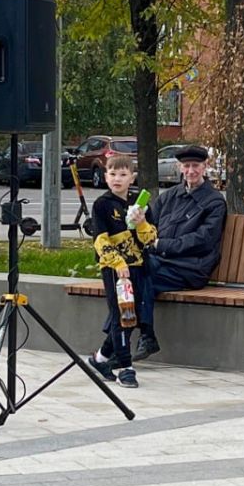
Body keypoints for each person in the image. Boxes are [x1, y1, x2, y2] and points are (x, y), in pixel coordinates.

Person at [137, 144, 227, 362]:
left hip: (191, 268)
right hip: (161, 264)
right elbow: (149, 223)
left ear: (205, 167)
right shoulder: (169, 196)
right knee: (135, 278)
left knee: (138, 275)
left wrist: (161, 245)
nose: (191, 171)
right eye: (186, 166)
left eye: (195, 166)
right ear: (180, 168)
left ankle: (121, 343)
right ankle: (139, 337)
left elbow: (202, 241)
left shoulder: (214, 202)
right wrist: (137, 221)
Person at [85, 155, 155, 389]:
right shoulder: (102, 205)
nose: (117, 179)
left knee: (132, 316)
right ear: (105, 177)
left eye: (123, 175)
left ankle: (101, 359)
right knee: (122, 316)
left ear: (132, 178)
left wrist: (142, 222)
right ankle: (126, 367)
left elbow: (150, 238)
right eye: (112, 174)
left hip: (138, 267)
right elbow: (100, 240)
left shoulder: (139, 203)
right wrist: (117, 263)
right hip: (115, 270)